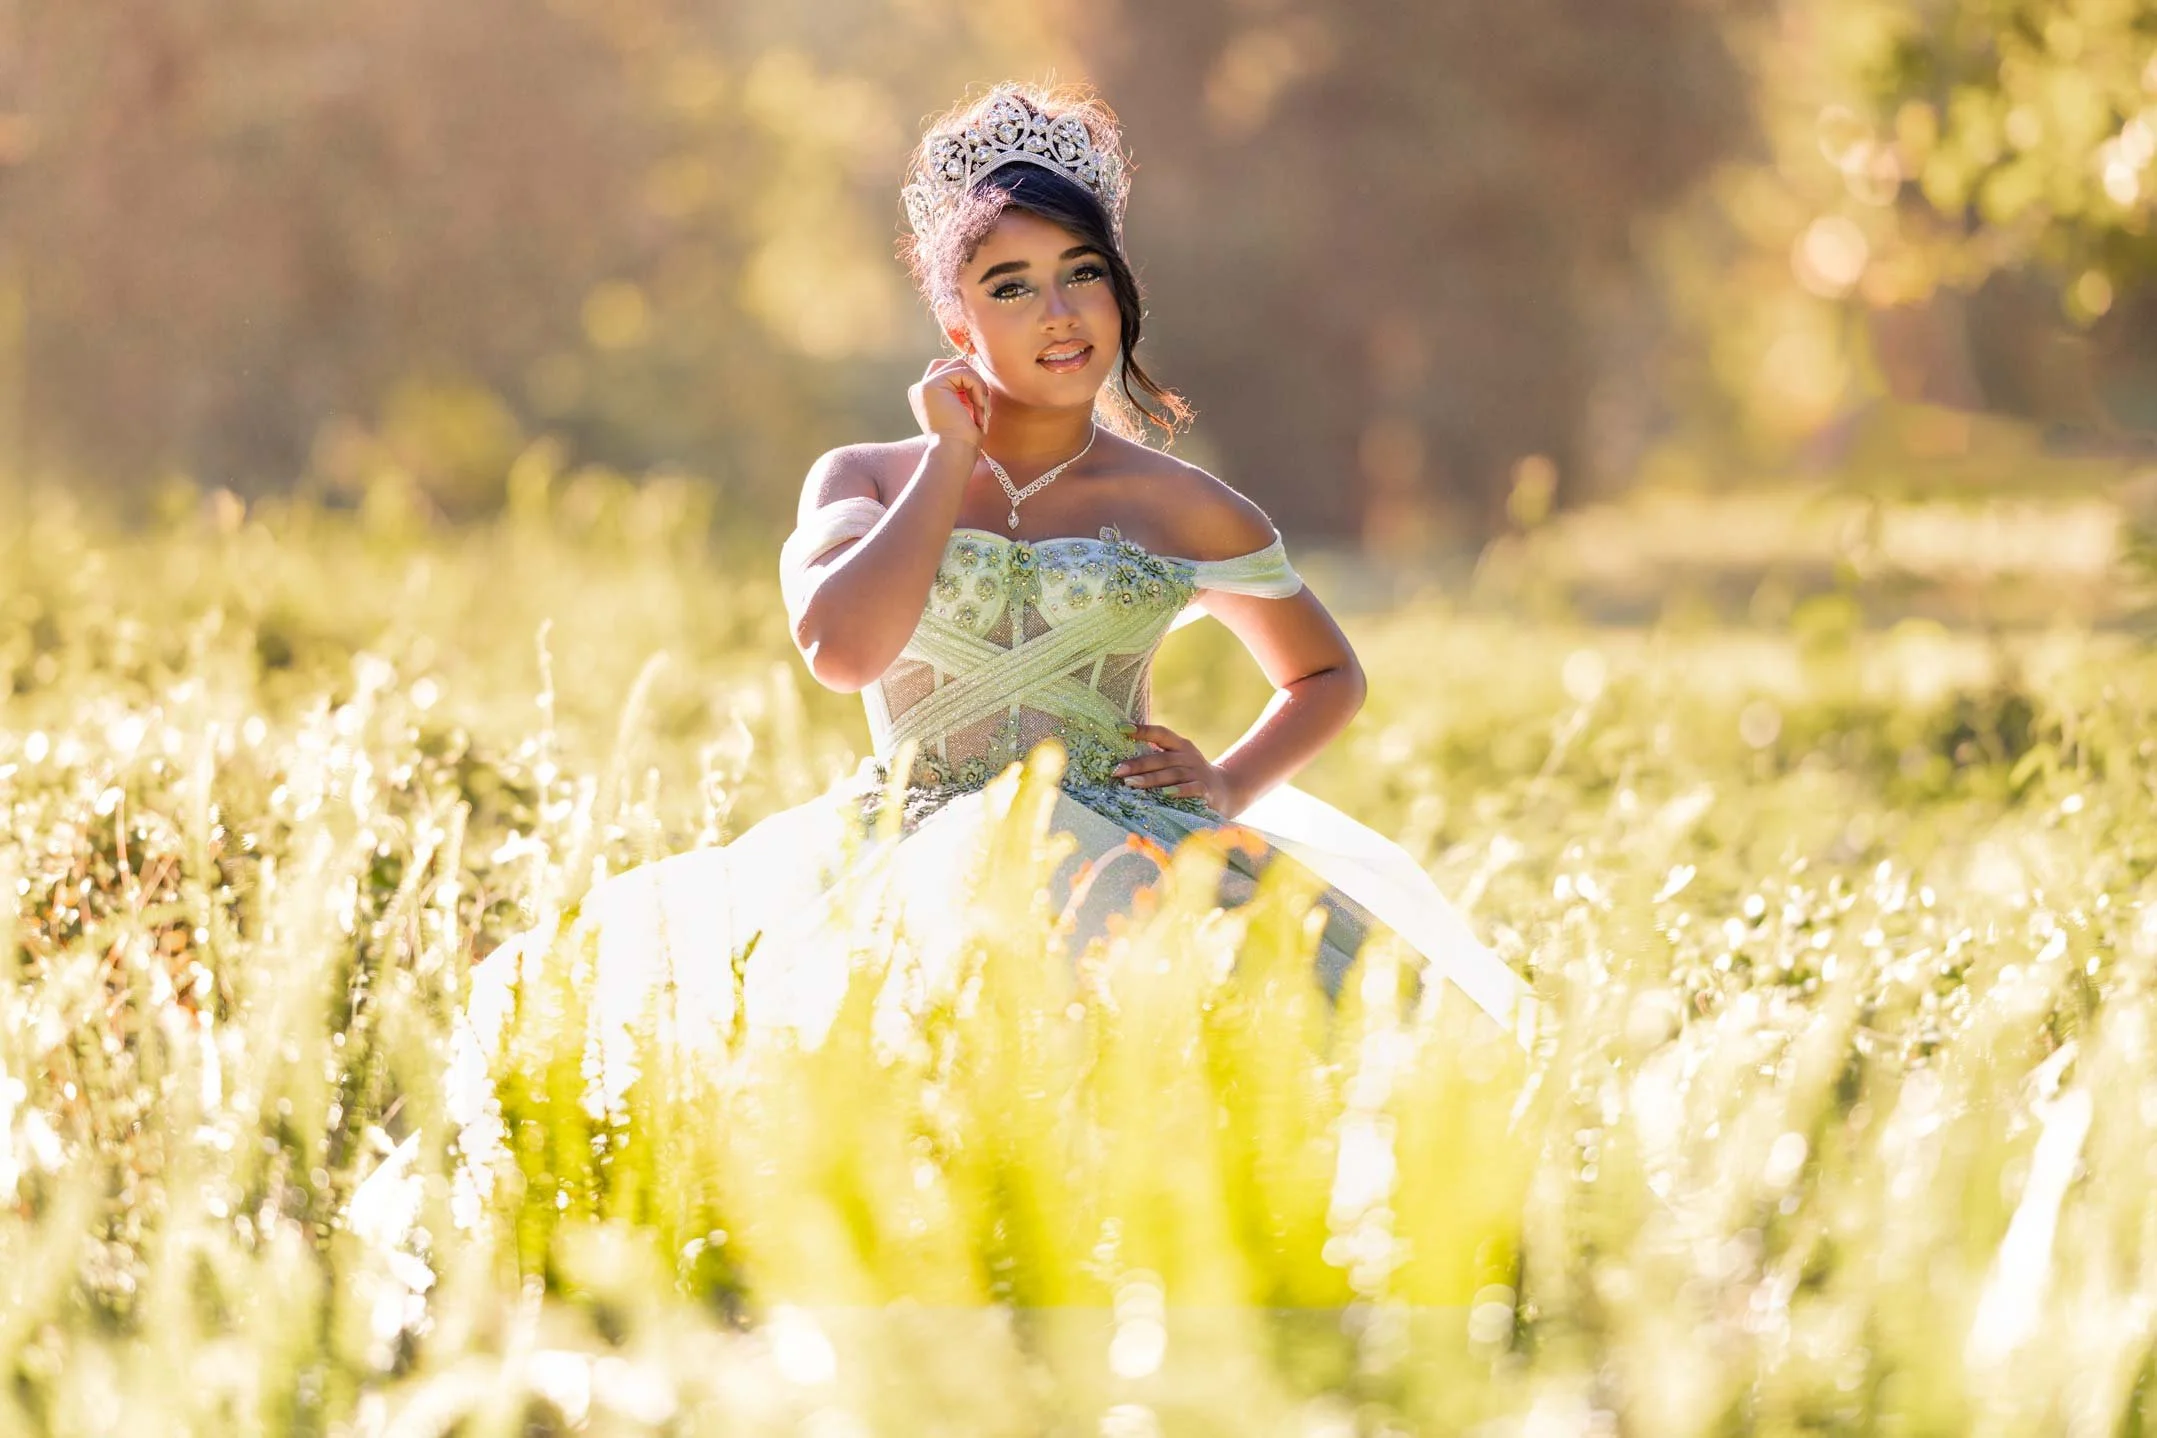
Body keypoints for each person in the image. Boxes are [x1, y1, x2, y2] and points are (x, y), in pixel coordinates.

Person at [472, 85, 1533, 1104]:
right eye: (1011, 285)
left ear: (1121, 287)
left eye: (1083, 273)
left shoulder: (1189, 507)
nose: (1060, 314)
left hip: (1133, 862)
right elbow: (844, 650)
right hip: (904, 857)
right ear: (955, 314)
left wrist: (1224, 785)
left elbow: (1326, 672)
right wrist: (949, 455)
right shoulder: (867, 477)